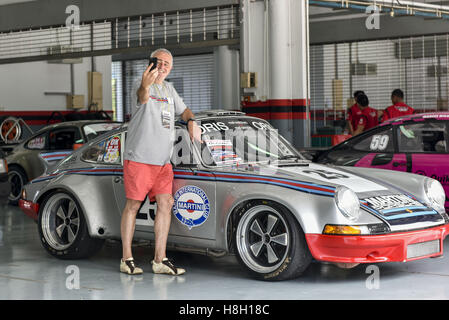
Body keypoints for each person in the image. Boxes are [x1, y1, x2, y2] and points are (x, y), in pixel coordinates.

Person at [120, 48, 201, 276]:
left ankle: (159, 260)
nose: (163, 66)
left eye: (167, 63)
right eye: (160, 62)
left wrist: (192, 121)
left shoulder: (169, 89)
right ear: (152, 63)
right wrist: (146, 84)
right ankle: (126, 259)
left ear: (171, 67)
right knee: (133, 206)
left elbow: (184, 111)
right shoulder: (142, 83)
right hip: (140, 159)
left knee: (166, 205)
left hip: (163, 162)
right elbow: (142, 96)